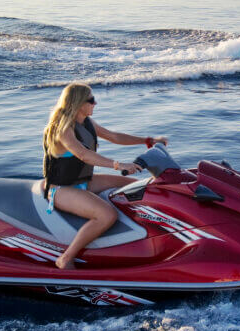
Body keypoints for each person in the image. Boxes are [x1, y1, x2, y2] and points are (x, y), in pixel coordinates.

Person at [42, 82, 168, 269]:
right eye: (91, 100)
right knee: (106, 215)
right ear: (78, 103)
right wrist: (118, 165)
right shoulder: (63, 129)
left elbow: (114, 136)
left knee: (138, 187)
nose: (95, 103)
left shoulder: (86, 121)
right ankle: (66, 258)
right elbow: (83, 154)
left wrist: (147, 141)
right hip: (60, 189)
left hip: (83, 181)